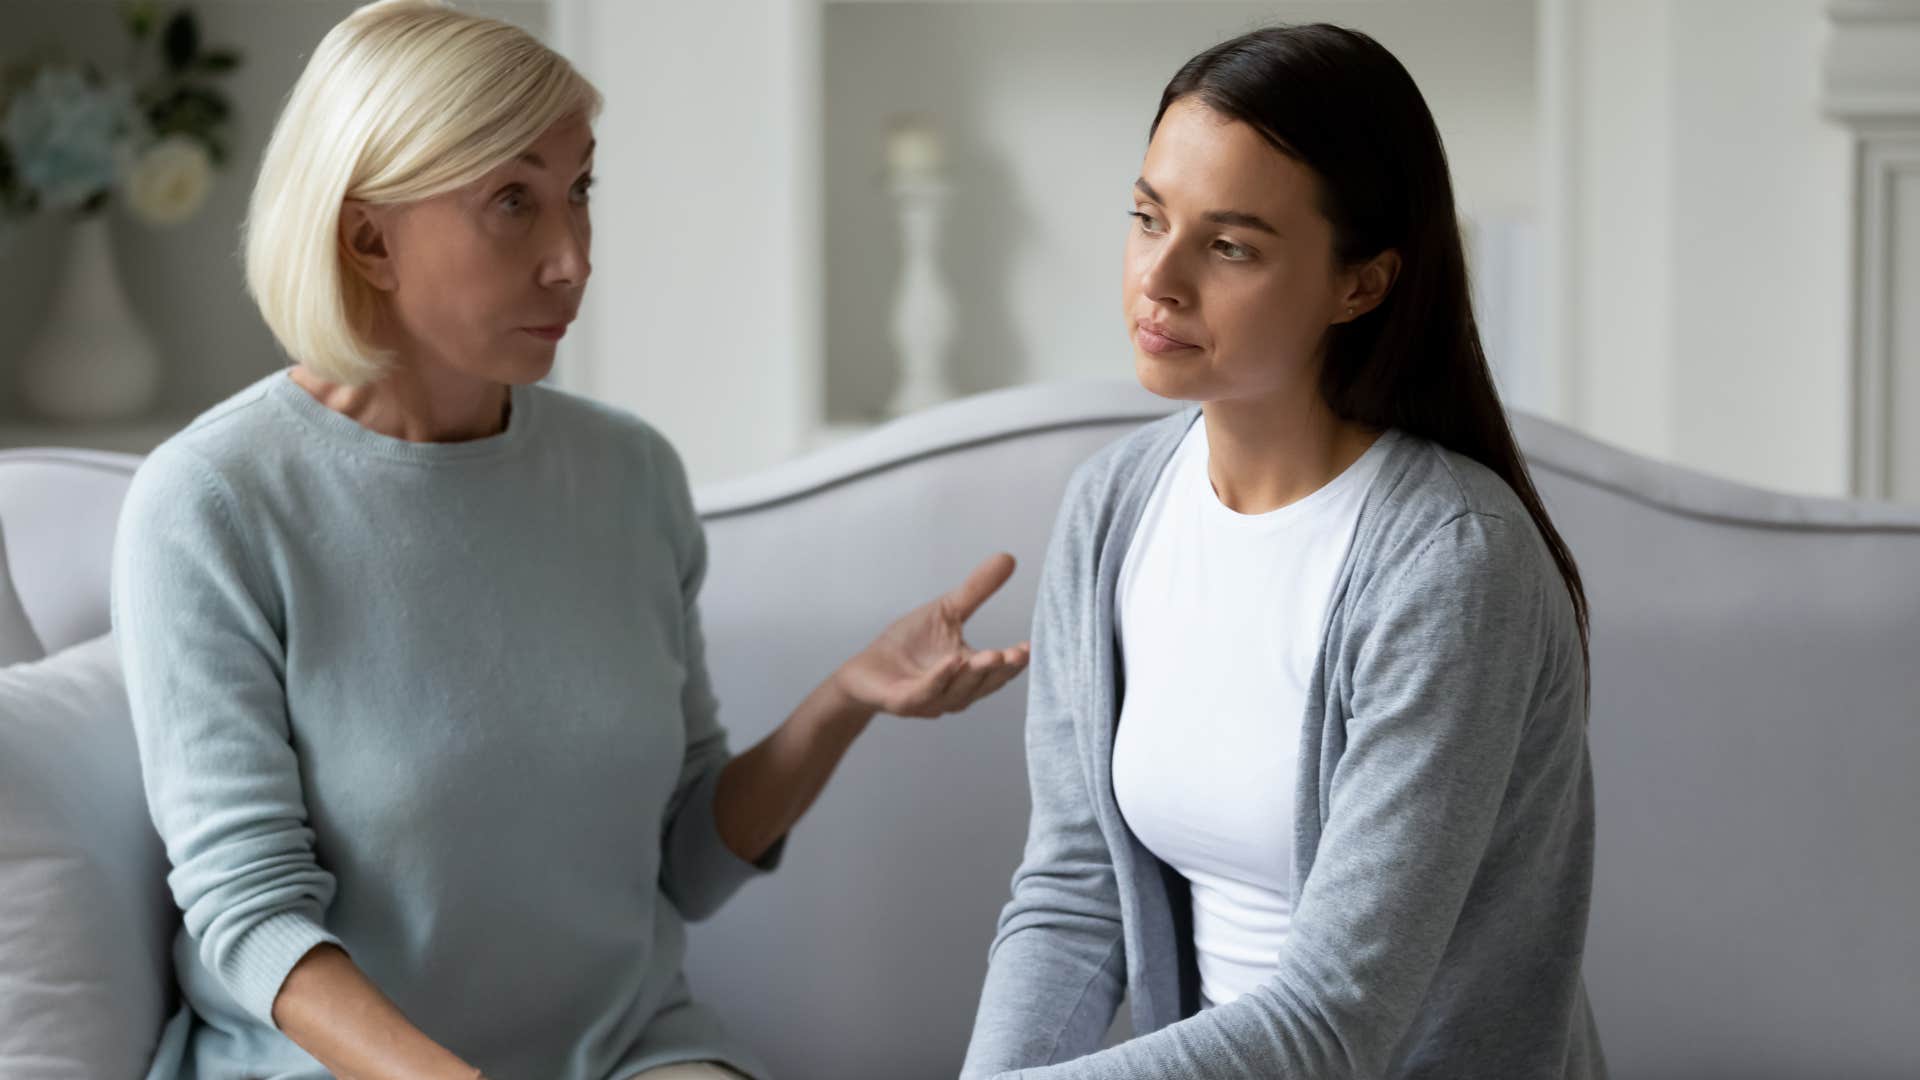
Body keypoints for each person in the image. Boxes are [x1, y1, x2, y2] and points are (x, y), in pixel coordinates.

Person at [112, 3, 1029, 1078]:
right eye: (513, 200)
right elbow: (251, 917)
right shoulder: (213, 502)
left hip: (625, 1053)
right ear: (368, 237)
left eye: (579, 190)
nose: (572, 258)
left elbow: (683, 864)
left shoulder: (628, 475)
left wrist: (845, 701)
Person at [962, 23, 1607, 1079]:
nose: (1158, 279)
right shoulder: (1112, 507)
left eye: (1229, 246)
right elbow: (1075, 893)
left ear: (1360, 285)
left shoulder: (1450, 566)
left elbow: (1335, 1019)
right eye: (1146, 217)